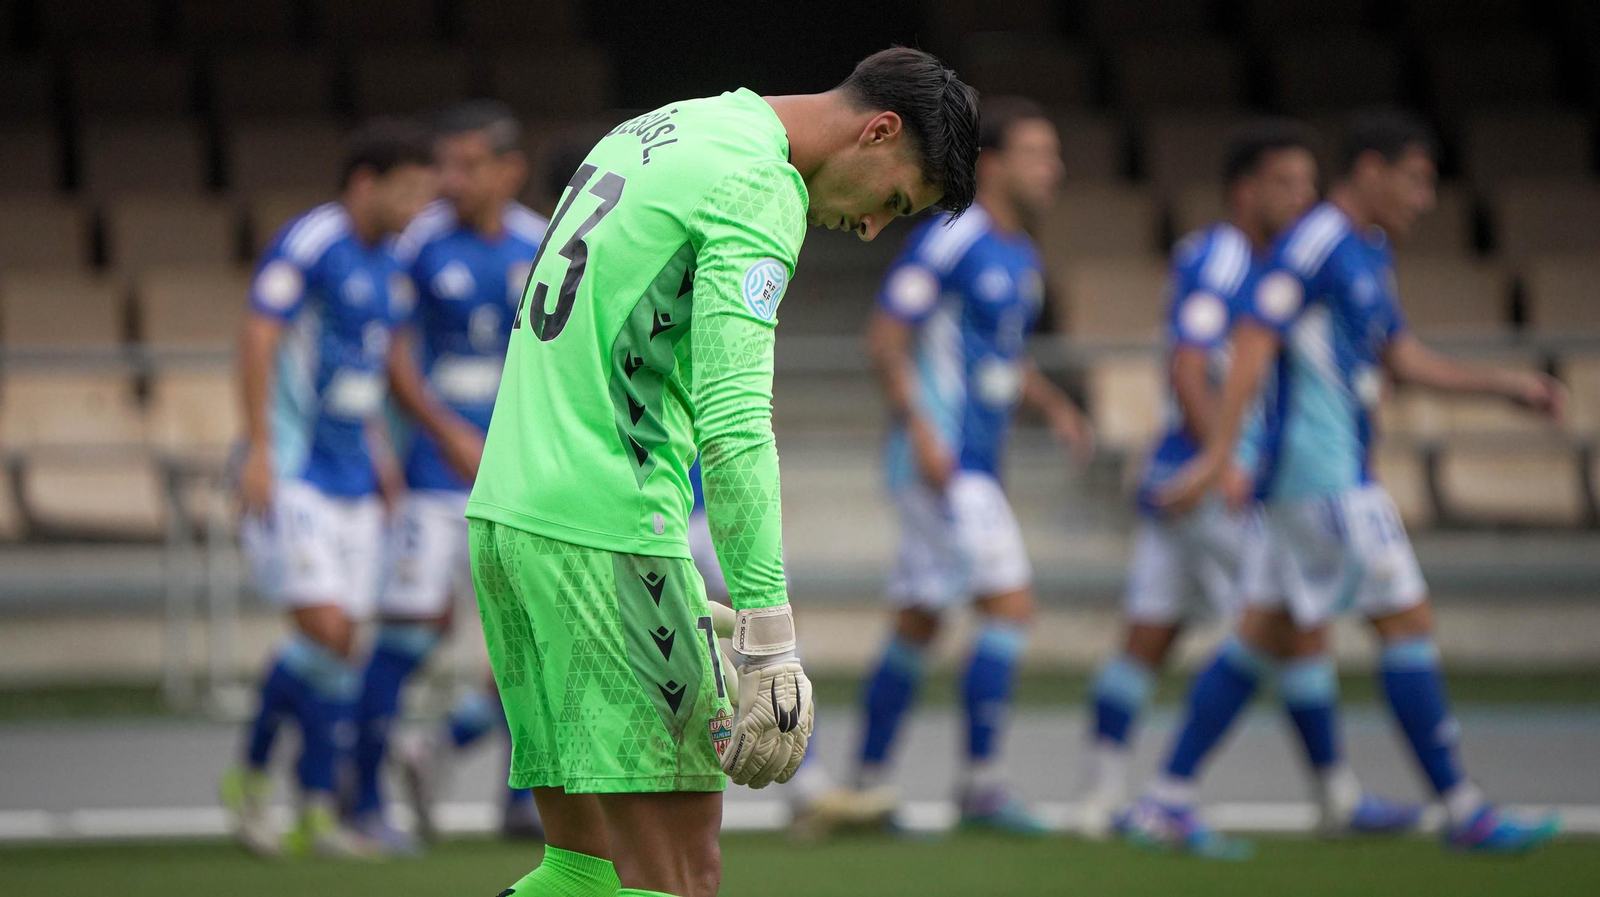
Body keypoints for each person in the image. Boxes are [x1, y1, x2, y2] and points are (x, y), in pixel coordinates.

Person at [466, 48, 980, 897]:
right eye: (892, 201)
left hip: (509, 521)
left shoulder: (666, 126)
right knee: (682, 877)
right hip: (610, 530)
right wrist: (770, 637)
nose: (870, 228)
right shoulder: (758, 183)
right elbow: (736, 421)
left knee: (582, 875)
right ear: (879, 131)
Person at [1129, 109, 1565, 856]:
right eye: (1416, 180)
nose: (1426, 198)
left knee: (1262, 635)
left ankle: (1165, 799)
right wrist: (1219, 455)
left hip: (1323, 478)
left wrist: (1504, 388)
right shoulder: (1318, 242)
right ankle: (1463, 808)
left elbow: (1402, 356)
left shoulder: (1368, 249)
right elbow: (1252, 339)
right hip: (1319, 477)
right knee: (1406, 622)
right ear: (1371, 170)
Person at [1081, 122, 1418, 840]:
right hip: (1214, 481)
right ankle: (1327, 795)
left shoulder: (1276, 262)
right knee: (1291, 628)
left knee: (1150, 634)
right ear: (1246, 190)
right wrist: (1225, 459)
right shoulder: (1224, 257)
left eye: (1308, 182)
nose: (1302, 196)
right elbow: (1188, 363)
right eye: (1286, 182)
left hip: (1184, 475)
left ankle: (1103, 797)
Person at [840, 96, 1094, 836]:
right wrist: (922, 431)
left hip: (973, 463)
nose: (1052, 168)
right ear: (993, 164)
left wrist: (1053, 404)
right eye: (1037, 153)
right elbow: (886, 336)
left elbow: (999, 359)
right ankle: (982, 788)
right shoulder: (954, 238)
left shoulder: (1022, 255)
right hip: (945, 464)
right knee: (1009, 607)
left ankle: (865, 784)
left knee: (919, 622)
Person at [220, 119, 436, 858]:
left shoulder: (392, 264)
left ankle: (308, 802)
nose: (418, 207)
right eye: (408, 191)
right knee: (329, 631)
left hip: (354, 476)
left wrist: (383, 461)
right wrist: (258, 449)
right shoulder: (313, 242)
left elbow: (362, 371)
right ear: (365, 184)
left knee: (340, 648)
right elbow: (258, 335)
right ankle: (267, 779)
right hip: (293, 469)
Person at [341, 101, 547, 853]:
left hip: (518, 480)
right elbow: (389, 350)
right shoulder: (418, 241)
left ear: (510, 170)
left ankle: (521, 798)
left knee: (533, 638)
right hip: (433, 475)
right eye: (445, 165)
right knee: (409, 629)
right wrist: (445, 430)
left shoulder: (542, 242)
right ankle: (362, 795)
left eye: (468, 165)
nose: (450, 179)